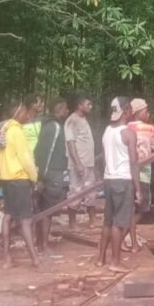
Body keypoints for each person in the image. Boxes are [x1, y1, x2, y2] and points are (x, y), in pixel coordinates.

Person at [96, 97, 141, 273]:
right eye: (130, 110)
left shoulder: (107, 131)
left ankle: (100, 259)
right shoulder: (129, 133)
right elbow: (134, 162)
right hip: (123, 181)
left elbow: (104, 158)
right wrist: (138, 189)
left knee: (108, 221)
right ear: (126, 110)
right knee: (119, 223)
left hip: (109, 180)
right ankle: (115, 262)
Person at [0, 96, 40, 268]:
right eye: (24, 112)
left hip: (7, 179)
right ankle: (35, 259)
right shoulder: (17, 132)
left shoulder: (4, 130)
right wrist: (34, 177)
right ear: (18, 113)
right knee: (25, 219)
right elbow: (26, 158)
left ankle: (7, 258)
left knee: (8, 216)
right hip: (20, 179)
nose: (26, 115)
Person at [123, 98, 154, 252]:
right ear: (138, 113)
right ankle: (122, 237)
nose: (148, 113)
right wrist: (144, 161)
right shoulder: (150, 129)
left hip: (126, 174)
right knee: (142, 210)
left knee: (131, 209)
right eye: (146, 111)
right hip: (143, 175)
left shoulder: (125, 128)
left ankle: (131, 242)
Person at [34, 97, 70, 253]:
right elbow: (45, 154)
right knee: (47, 211)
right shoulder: (54, 127)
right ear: (60, 109)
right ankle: (44, 245)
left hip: (49, 173)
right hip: (51, 174)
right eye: (66, 108)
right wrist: (41, 178)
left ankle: (40, 243)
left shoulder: (47, 124)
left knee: (43, 209)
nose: (67, 111)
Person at [64, 94, 97, 228]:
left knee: (91, 190)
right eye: (88, 104)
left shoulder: (83, 119)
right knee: (75, 191)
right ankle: (72, 222)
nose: (91, 107)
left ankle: (92, 220)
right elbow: (70, 143)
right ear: (80, 105)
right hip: (78, 163)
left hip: (88, 163)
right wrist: (77, 164)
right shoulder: (72, 121)